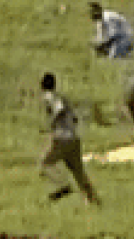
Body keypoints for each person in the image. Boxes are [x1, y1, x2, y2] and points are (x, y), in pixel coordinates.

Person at [39, 73, 99, 205]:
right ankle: (93, 201)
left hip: (61, 138)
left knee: (45, 163)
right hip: (74, 138)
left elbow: (59, 110)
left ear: (42, 86)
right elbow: (75, 118)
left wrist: (52, 124)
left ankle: (62, 185)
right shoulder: (63, 98)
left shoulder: (49, 96)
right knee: (79, 172)